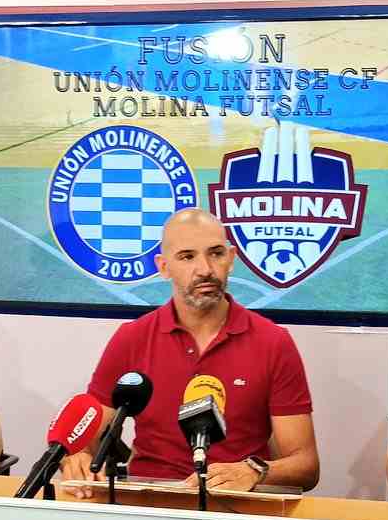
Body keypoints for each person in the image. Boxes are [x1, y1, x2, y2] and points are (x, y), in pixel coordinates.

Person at [61, 208, 319, 497]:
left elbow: (306, 466)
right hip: (148, 503)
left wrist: (254, 470)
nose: (205, 269)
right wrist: (76, 457)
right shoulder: (131, 339)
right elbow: (86, 438)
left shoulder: (273, 342)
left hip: (239, 506)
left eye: (216, 253)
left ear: (231, 259)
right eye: (187, 257)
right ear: (163, 267)